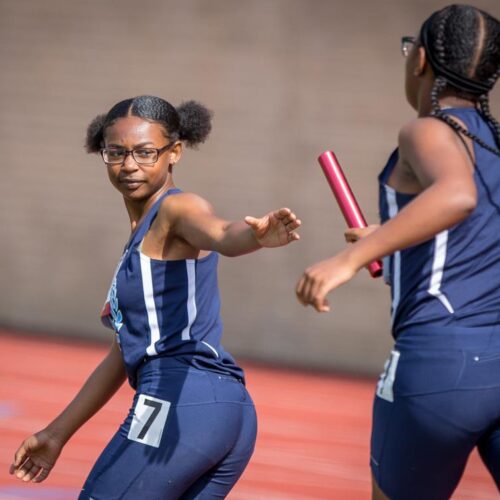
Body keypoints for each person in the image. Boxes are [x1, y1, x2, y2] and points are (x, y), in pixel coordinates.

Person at [9, 95, 301, 499]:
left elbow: (220, 234)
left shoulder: (176, 209)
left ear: (174, 152)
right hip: (221, 408)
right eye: (116, 153)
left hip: (180, 398)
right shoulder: (140, 236)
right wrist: (57, 434)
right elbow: (121, 355)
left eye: (146, 153)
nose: (129, 165)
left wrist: (254, 236)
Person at [296, 4, 500, 499]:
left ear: (421, 60)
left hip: (441, 361)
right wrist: (392, 241)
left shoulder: (427, 129)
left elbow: (456, 196)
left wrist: (346, 260)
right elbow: (473, 236)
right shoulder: (493, 142)